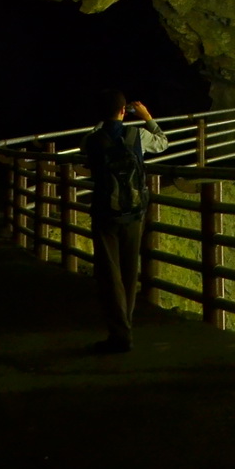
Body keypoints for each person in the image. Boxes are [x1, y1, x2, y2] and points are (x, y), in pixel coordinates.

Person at [82, 90, 167, 353]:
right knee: (130, 271)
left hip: (104, 213)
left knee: (109, 274)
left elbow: (87, 147)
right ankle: (125, 327)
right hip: (134, 213)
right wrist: (146, 117)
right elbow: (163, 143)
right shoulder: (137, 135)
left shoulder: (93, 140)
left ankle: (119, 333)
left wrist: (103, 121)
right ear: (124, 111)